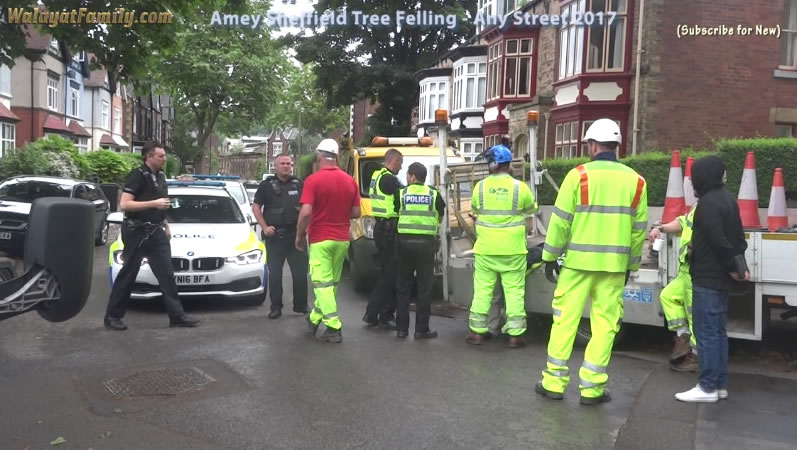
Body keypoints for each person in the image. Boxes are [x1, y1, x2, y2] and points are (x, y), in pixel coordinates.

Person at [535, 119, 647, 405]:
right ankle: (593, 388)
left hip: (576, 265)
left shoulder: (579, 176)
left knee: (565, 322)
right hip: (612, 268)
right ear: (617, 146)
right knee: (605, 326)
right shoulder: (637, 181)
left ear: (593, 145)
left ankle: (554, 383)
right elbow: (638, 231)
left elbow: (560, 222)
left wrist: (549, 256)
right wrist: (631, 267)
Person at [104, 142, 200, 330]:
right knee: (128, 274)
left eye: (164, 155)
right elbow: (124, 205)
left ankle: (177, 316)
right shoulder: (137, 176)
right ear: (149, 157)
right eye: (161, 156)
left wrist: (165, 225)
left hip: (156, 231)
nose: (164, 159)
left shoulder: (161, 176)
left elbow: (162, 204)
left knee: (167, 274)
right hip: (136, 231)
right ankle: (112, 317)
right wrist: (153, 203)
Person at [676, 155, 748, 403]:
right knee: (718, 332)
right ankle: (719, 385)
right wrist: (740, 266)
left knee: (706, 333)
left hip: (708, 276)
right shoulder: (729, 201)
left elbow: (718, 241)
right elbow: (739, 238)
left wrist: (730, 265)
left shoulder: (706, 204)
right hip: (722, 279)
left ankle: (707, 387)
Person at [465, 144, 537, 348]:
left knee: (482, 291)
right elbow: (530, 210)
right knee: (514, 292)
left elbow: (477, 211)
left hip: (486, 249)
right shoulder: (520, 187)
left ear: (493, 164)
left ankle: (477, 333)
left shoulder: (480, 187)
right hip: (513, 249)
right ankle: (515, 336)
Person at [296, 139, 361, 343]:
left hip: (320, 239)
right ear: (337, 157)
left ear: (319, 156)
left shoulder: (313, 181)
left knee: (321, 284)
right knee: (330, 284)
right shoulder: (350, 181)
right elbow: (356, 212)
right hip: (342, 239)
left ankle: (334, 327)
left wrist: (299, 235)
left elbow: (306, 212)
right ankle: (314, 320)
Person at [253, 153, 309, 319]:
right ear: (276, 166)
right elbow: (256, 207)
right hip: (275, 235)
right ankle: (276, 307)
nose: (286, 166)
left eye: (289, 163)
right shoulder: (266, 185)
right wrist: (264, 226)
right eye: (283, 163)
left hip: (295, 234)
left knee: (300, 273)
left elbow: (307, 207)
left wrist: (304, 229)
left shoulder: (298, 184)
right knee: (275, 274)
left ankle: (301, 305)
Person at [395, 162, 445, 339]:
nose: (407, 178)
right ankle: (421, 329)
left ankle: (401, 329)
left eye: (408, 175)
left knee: (403, 287)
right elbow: (441, 212)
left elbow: (396, 212)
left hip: (404, 243)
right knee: (424, 288)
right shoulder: (433, 193)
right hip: (425, 244)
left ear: (413, 176)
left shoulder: (401, 193)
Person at [649, 205, 700, 372]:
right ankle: (683, 336)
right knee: (668, 296)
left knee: (694, 315)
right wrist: (660, 228)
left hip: (695, 270)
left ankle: (696, 356)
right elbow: (682, 221)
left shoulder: (707, 205)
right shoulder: (697, 206)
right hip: (685, 271)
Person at [363, 148, 403, 330]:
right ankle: (382, 315)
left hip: (381, 228)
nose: (401, 168)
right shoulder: (389, 179)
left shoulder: (377, 176)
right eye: (400, 164)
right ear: (393, 161)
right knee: (389, 275)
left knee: (386, 273)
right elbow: (404, 198)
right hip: (389, 230)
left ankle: (373, 314)